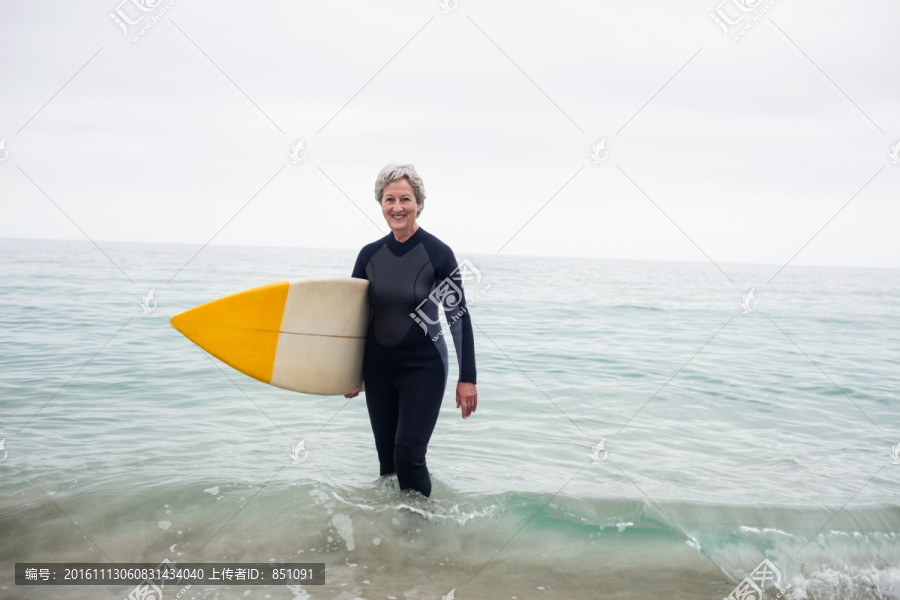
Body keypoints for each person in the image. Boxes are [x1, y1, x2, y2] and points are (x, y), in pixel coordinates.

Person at [344, 163, 478, 497]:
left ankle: (424, 532)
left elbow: (458, 318)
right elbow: (355, 317)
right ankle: (394, 535)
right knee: (387, 464)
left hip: (424, 367)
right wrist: (347, 372)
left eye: (405, 198)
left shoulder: (438, 254)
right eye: (389, 199)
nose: (397, 207)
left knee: (408, 455)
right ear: (380, 204)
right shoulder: (369, 255)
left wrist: (468, 378)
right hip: (378, 370)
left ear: (418, 202)